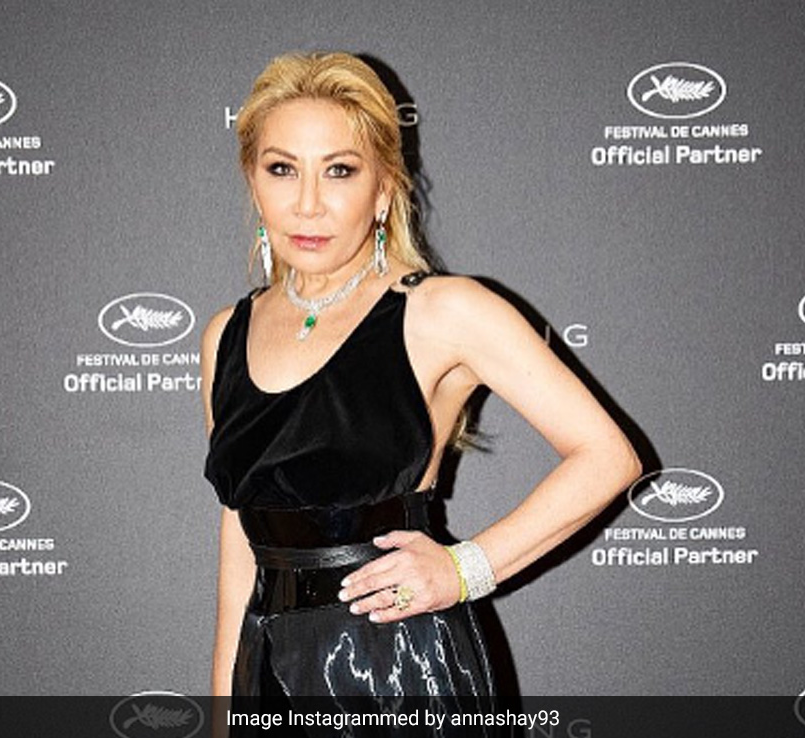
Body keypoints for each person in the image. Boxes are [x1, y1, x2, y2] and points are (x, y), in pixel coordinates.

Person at [200, 51, 640, 720]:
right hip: (268, 672)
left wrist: (466, 570)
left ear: (383, 190)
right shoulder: (225, 335)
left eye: (340, 170)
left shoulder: (441, 311)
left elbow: (609, 457)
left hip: (398, 671)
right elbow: (241, 540)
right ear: (253, 183)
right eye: (282, 169)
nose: (308, 203)